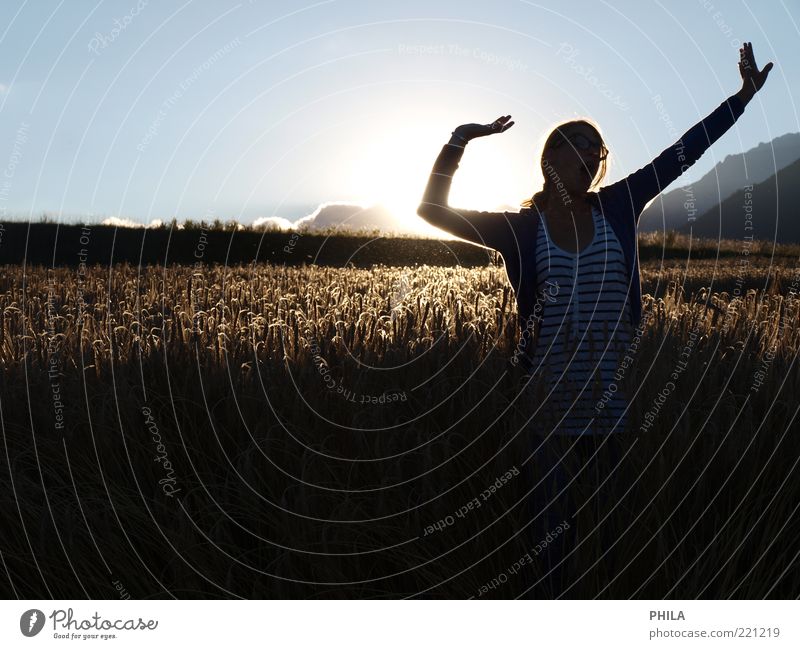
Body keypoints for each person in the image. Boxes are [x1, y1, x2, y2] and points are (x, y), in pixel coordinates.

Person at [417, 42, 773, 596]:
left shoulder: (619, 205)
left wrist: (742, 99)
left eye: (596, 149)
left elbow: (684, 152)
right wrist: (460, 140)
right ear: (548, 158)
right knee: (552, 556)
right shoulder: (519, 230)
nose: (589, 155)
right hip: (547, 417)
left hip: (618, 410)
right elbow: (432, 211)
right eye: (576, 145)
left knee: (616, 550)